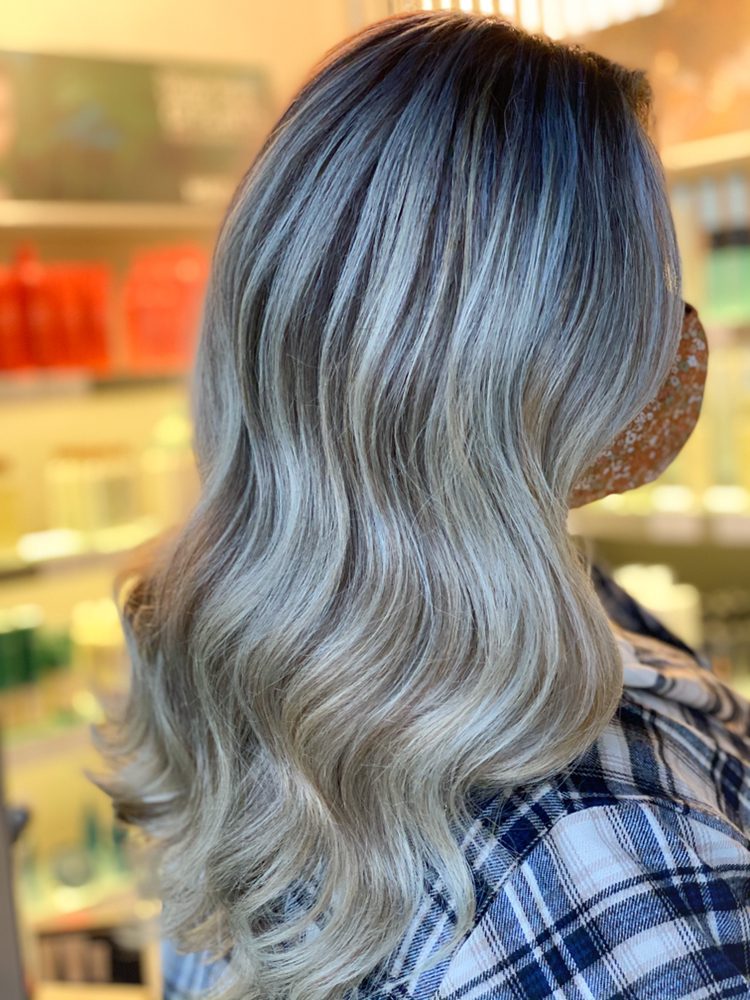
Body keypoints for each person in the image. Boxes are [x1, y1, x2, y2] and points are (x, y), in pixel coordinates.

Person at [89, 11, 750, 1000]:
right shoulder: (611, 862)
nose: (672, 332)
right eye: (647, 289)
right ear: (548, 361)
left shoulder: (248, 679)